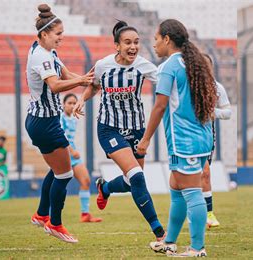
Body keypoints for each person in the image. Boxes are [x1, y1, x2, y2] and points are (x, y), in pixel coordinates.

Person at [73, 20, 165, 243]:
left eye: (136, 42)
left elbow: (166, 83)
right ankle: (160, 233)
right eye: (127, 43)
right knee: (137, 176)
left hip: (136, 128)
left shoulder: (144, 66)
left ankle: (104, 187)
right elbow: (94, 85)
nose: (133, 47)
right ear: (117, 45)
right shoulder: (103, 65)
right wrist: (81, 100)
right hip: (109, 128)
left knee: (133, 180)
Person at [139, 19, 217, 257]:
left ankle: (197, 248)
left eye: (155, 38)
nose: (154, 44)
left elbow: (160, 106)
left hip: (185, 141)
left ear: (166, 39)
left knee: (192, 192)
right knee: (176, 187)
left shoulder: (168, 67)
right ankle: (169, 241)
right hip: (200, 137)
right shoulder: (194, 63)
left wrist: (145, 140)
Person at [27, 4, 94, 243]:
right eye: (58, 34)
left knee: (57, 171)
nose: (61, 37)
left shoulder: (48, 52)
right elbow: (55, 85)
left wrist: (87, 81)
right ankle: (54, 223)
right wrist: (84, 82)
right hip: (45, 123)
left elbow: (66, 75)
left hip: (41, 121)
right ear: (45, 34)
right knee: (65, 175)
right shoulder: (41, 56)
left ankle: (40, 214)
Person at [201, 53, 232, 228]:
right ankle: (194, 212)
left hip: (207, 136)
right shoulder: (186, 86)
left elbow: (228, 112)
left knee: (205, 173)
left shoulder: (216, 88)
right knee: (188, 176)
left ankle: (208, 213)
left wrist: (213, 113)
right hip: (186, 136)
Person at [60, 93, 102, 222]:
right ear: (63, 104)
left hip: (73, 155)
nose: (72, 106)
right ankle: (48, 215)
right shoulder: (60, 118)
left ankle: (85, 214)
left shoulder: (73, 118)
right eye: (69, 103)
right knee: (58, 185)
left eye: (74, 103)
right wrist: (71, 151)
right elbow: (61, 136)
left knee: (86, 181)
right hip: (62, 154)